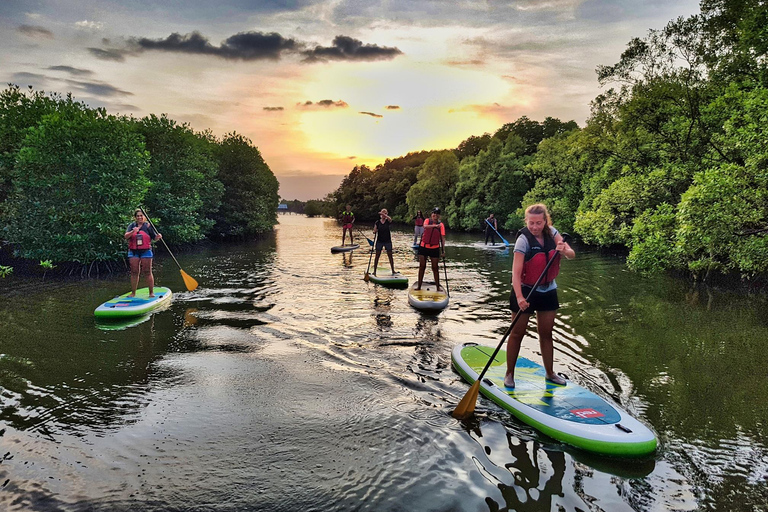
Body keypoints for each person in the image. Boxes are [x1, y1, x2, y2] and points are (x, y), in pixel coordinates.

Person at [504, 203, 575, 389]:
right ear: (526, 221)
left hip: (548, 290)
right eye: (531, 223)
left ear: (545, 221)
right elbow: (516, 274)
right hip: (525, 290)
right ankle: (509, 373)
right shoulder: (523, 240)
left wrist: (564, 250)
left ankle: (550, 373)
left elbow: (571, 254)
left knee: (546, 333)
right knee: (517, 333)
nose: (535, 227)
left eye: (539, 223)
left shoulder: (553, 233)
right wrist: (519, 297)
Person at [124, 208, 163, 297]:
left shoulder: (148, 226)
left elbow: (154, 238)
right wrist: (133, 231)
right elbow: (126, 236)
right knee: (134, 272)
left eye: (141, 216)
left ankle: (151, 292)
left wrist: (158, 236)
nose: (139, 217)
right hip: (134, 252)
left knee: (147, 271)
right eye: (137, 216)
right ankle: (133, 293)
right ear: (135, 217)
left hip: (146, 251)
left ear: (144, 217)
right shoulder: (132, 226)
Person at [416, 207, 446, 290]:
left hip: (435, 248)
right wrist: (435, 226)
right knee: (422, 266)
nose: (435, 215)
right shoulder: (427, 221)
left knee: (435, 268)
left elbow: (442, 238)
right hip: (424, 247)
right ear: (431, 214)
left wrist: (443, 251)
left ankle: (437, 287)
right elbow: (425, 226)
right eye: (434, 213)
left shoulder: (441, 225)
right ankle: (419, 286)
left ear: (439, 216)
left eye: (437, 214)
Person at [372, 209, 396, 275]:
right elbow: (375, 229)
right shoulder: (377, 222)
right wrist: (374, 231)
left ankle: (393, 270)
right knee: (377, 256)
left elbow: (390, 219)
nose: (383, 215)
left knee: (390, 255)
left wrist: (385, 215)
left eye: (385, 213)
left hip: (387, 240)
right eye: (382, 214)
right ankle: (374, 271)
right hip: (380, 241)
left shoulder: (388, 221)